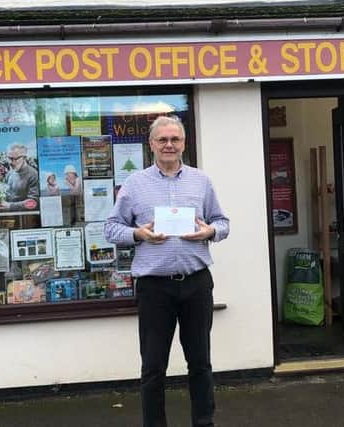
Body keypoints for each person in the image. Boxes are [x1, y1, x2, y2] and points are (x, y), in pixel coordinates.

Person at [104, 116, 229, 427]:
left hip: (196, 284)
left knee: (200, 363)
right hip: (155, 288)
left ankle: (204, 422)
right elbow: (110, 228)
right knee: (153, 367)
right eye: (163, 140)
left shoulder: (201, 181)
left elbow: (224, 224)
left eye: (175, 139)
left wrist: (209, 232)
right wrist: (138, 234)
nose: (169, 145)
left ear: (184, 144)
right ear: (152, 145)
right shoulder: (134, 185)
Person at [0, 143, 40, 211]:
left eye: (15, 159)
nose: (11, 162)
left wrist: (11, 206)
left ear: (25, 158)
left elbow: (33, 203)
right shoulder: (9, 173)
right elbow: (4, 192)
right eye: (9, 158)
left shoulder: (33, 175)